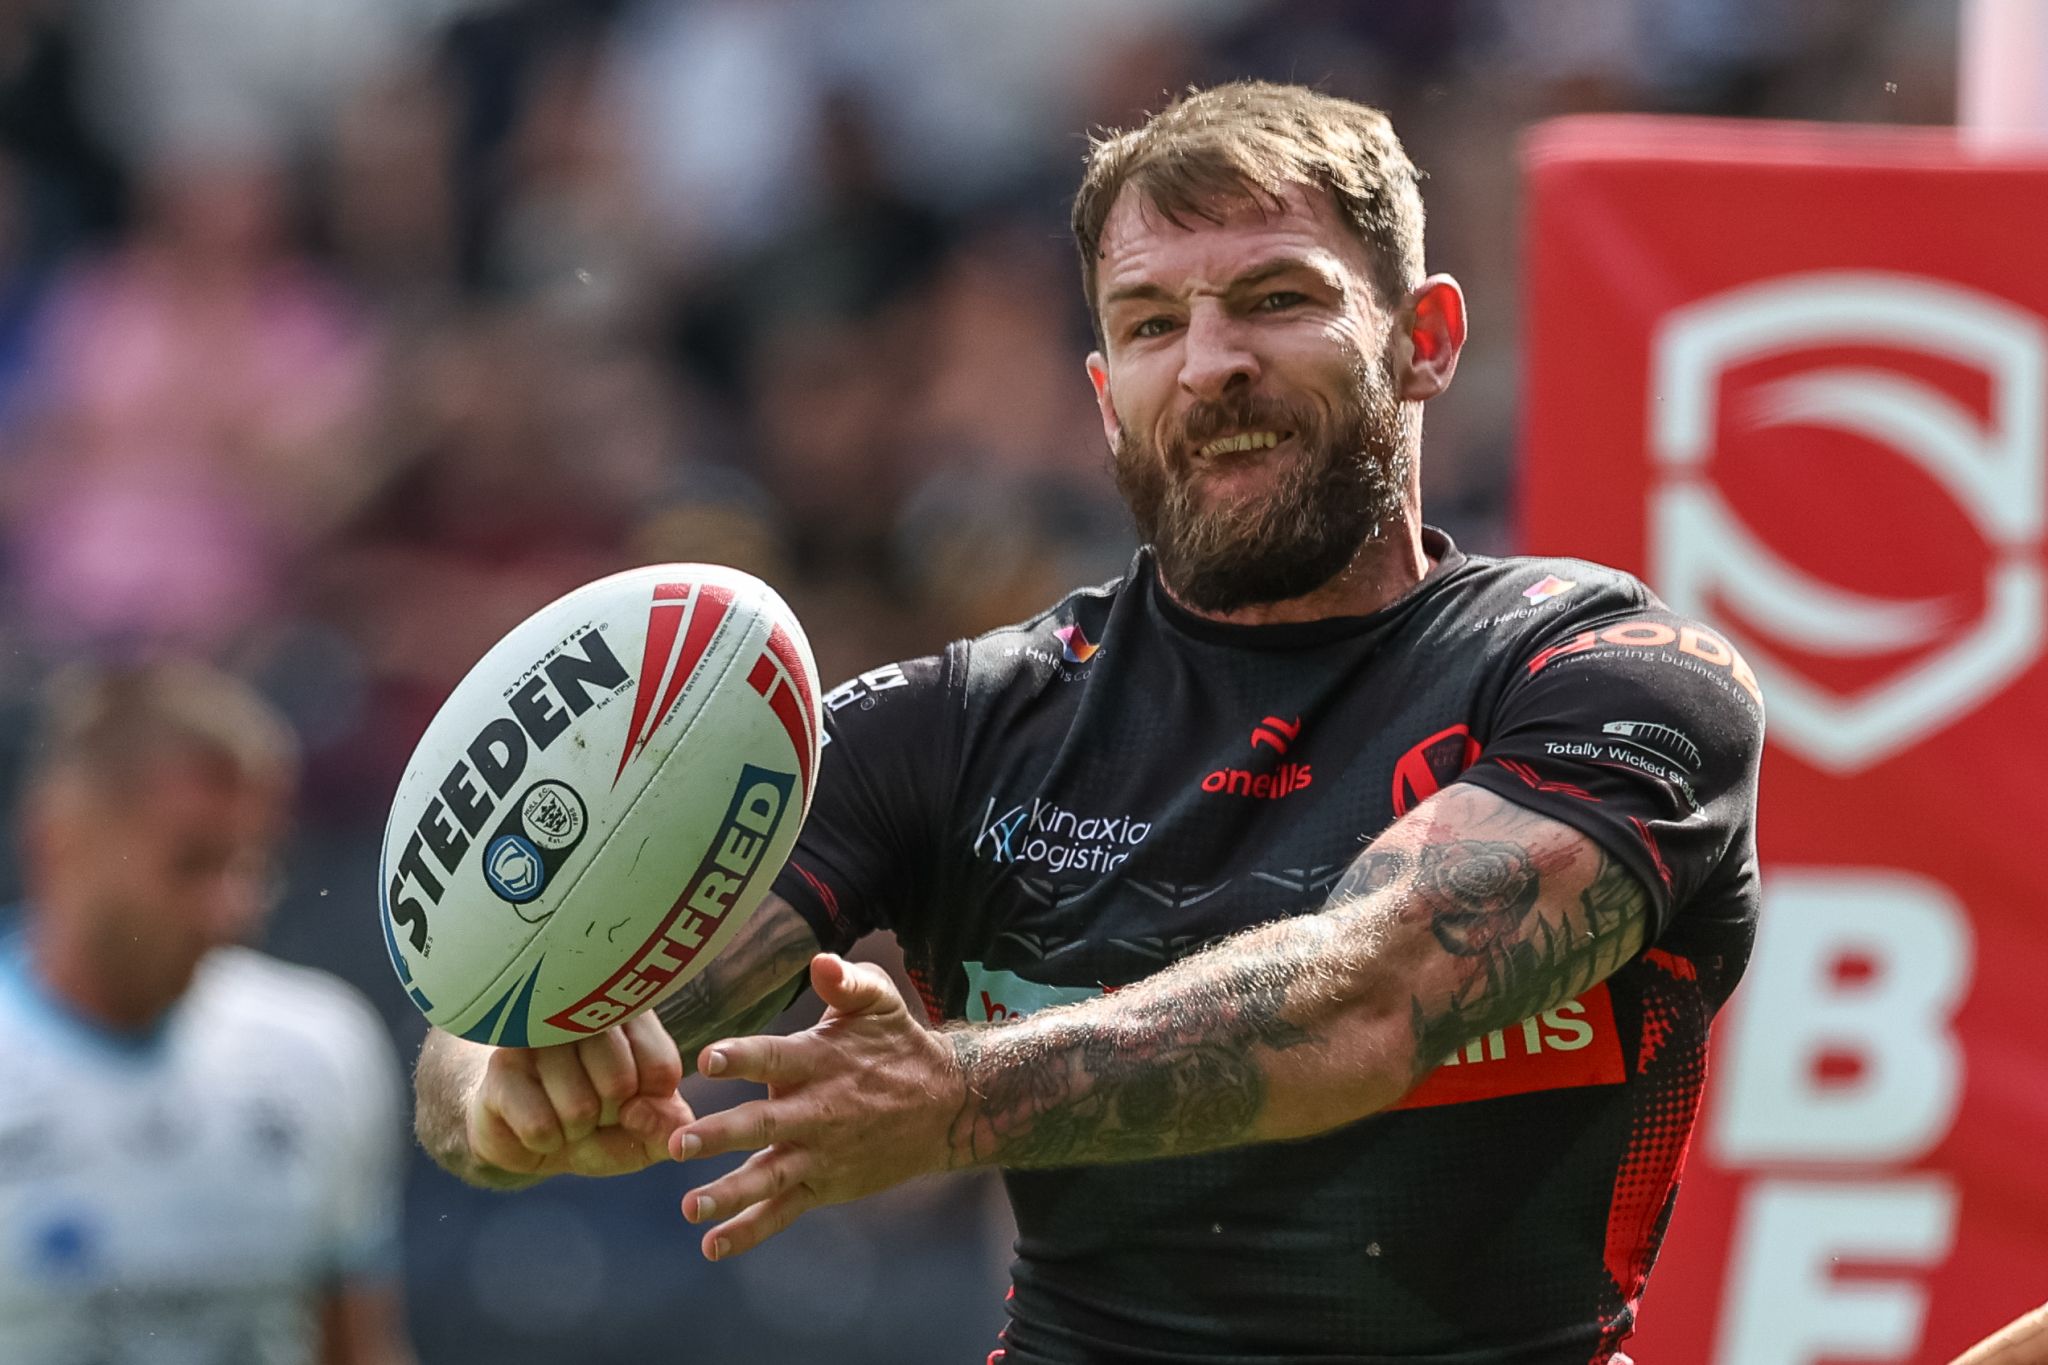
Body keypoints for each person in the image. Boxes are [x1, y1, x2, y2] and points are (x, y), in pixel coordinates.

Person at [414, 81, 1765, 1363]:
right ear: (1105, 389)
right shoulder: (958, 726)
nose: (1212, 363)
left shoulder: (1609, 677)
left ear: (1427, 339)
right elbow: (523, 1006)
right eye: (1150, 322)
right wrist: (506, 1081)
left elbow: (1368, 1002)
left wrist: (955, 1099)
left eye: (1276, 299)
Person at [0, 660, 416, 1365]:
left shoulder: (320, 1047)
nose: (233, 909)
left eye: (252, 864)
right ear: (58, 840)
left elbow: (358, 1346)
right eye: (192, 864)